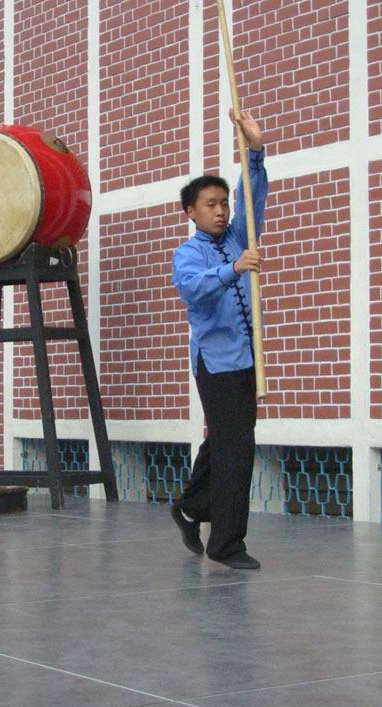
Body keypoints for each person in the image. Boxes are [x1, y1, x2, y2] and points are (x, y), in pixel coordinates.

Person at [170, 109, 267, 570]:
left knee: (227, 439)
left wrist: (255, 151)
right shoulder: (187, 254)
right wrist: (233, 269)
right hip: (216, 361)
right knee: (236, 450)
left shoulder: (237, 236)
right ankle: (226, 543)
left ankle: (190, 506)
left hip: (246, 358)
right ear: (191, 212)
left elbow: (253, 197)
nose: (221, 210)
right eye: (210, 204)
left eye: (223, 203)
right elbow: (195, 289)